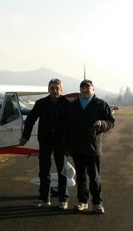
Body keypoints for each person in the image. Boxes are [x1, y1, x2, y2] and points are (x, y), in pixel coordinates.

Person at [19, 79, 69, 209]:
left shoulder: (67, 104)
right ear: (48, 90)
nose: (54, 90)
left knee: (62, 171)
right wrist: (25, 137)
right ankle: (44, 198)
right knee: (44, 171)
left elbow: (75, 122)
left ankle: (63, 200)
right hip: (45, 141)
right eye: (52, 88)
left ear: (61, 90)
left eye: (57, 88)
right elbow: (30, 120)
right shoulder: (41, 103)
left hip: (61, 142)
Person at [67, 79, 114, 214]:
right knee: (81, 176)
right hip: (77, 147)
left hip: (93, 146)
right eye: (82, 88)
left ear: (93, 89)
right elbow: (68, 125)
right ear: (79, 89)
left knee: (94, 177)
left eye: (88, 87)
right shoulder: (73, 105)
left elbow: (110, 122)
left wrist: (101, 123)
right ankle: (82, 201)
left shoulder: (101, 104)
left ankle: (97, 203)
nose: (85, 90)